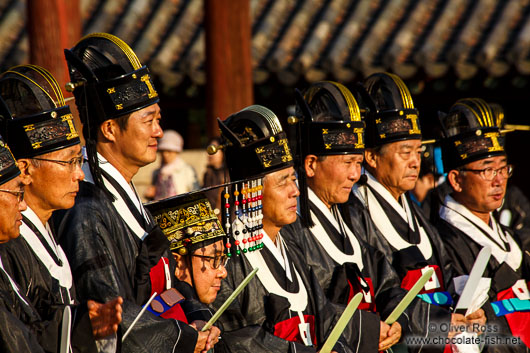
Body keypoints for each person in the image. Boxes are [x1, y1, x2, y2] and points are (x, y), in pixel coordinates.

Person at [56, 33, 216, 352]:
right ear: (110, 129)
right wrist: (181, 337)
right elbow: (109, 308)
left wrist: (194, 314)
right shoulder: (85, 206)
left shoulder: (124, 190)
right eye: (148, 120)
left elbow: (164, 288)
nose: (158, 131)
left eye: (159, 120)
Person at [209, 105, 380, 353]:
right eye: (283, 183)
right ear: (251, 191)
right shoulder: (228, 260)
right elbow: (231, 340)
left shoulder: (290, 245)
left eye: (293, 179)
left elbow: (325, 316)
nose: (295, 191)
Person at [342, 73, 486, 349]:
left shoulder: (411, 206)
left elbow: (444, 269)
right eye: (405, 152)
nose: (414, 162)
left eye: (418, 152)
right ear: (371, 157)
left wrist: (467, 305)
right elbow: (383, 290)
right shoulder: (357, 210)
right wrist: (438, 320)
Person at [0, 64, 123, 353]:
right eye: (69, 162)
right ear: (25, 170)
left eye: (79, 162)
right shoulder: (11, 245)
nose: (79, 174)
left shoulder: (51, 230)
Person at [282, 81, 403, 352]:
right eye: (347, 163)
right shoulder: (291, 228)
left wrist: (399, 317)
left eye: (359, 163)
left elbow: (385, 282)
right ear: (311, 164)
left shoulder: (350, 216)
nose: (355, 175)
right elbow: (312, 308)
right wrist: (368, 329)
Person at [434, 98, 530, 351]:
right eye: (487, 171)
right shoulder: (442, 241)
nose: (498, 181)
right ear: (456, 179)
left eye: (502, 169)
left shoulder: (510, 237)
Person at [145, 191, 228, 316]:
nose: (223, 273)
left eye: (222, 259)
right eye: (213, 260)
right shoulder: (164, 317)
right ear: (177, 263)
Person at [145, 130, 200, 200]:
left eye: (169, 151)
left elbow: (196, 195)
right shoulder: (156, 173)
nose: (165, 155)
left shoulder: (187, 170)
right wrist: (150, 195)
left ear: (176, 152)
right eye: (163, 151)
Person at [203, 137, 226, 211]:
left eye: (213, 150)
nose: (210, 155)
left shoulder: (229, 174)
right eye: (208, 151)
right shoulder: (208, 174)